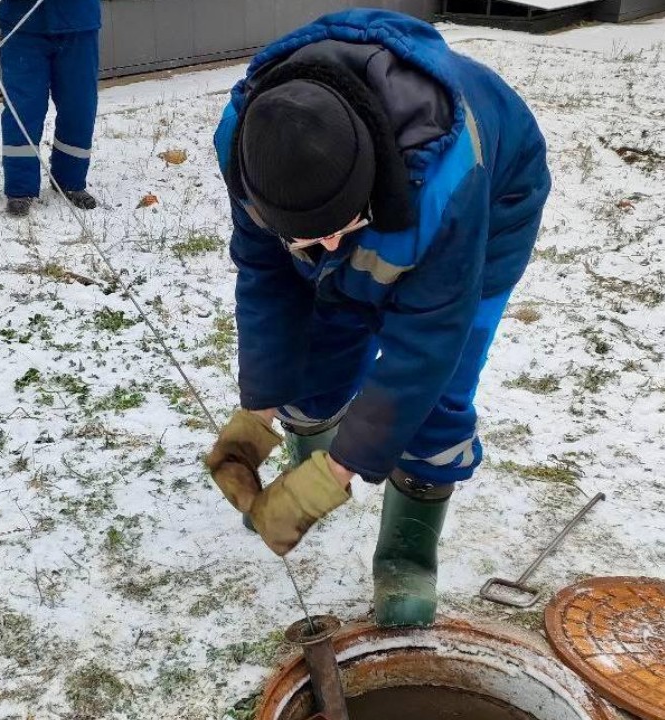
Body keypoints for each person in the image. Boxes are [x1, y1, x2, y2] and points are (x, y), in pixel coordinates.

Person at [205, 9, 551, 627]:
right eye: (310, 238)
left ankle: (407, 554)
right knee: (320, 340)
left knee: (438, 391)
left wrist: (334, 477)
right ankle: (305, 445)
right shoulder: (248, 145)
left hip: (492, 203)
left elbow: (426, 347)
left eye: (341, 230)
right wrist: (257, 408)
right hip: (377, 201)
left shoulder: (450, 176)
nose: (330, 249)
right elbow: (266, 281)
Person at [0, 0, 101, 217]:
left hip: (78, 22)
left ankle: (70, 180)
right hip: (22, 27)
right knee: (22, 110)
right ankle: (20, 188)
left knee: (79, 106)